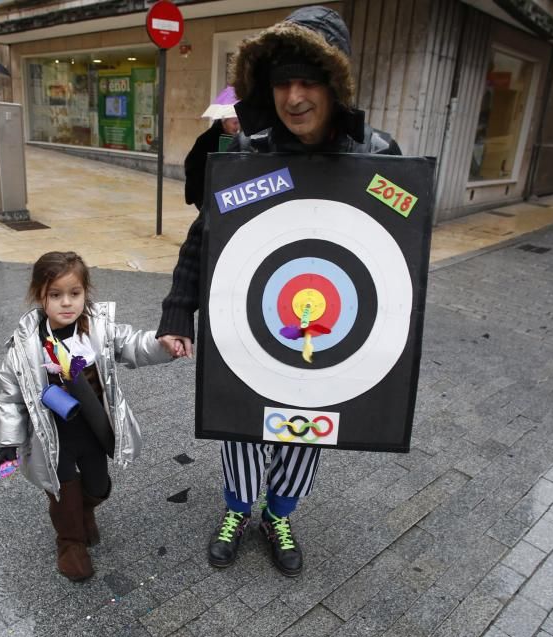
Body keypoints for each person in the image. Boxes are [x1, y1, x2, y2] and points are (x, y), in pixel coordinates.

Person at [156, 5, 402, 577]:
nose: (294, 97)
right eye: (283, 82)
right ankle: (238, 510)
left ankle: (280, 512)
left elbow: (397, 251)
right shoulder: (248, 154)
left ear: (334, 85)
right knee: (244, 421)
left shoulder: (378, 158)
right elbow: (202, 238)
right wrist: (177, 313)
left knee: (309, 430)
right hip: (252, 325)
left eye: (308, 81)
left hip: (331, 330)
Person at [0, 251, 173, 581]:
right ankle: (70, 542)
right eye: (55, 295)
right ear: (39, 296)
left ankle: (84, 509)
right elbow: (10, 397)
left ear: (85, 293)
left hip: (92, 427)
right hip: (53, 436)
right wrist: (9, 442)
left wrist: (165, 344)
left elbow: (133, 344)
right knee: (62, 491)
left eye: (74, 294)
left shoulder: (97, 329)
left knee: (98, 484)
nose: (67, 303)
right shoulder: (25, 346)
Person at [184, 86, 241, 210]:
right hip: (205, 192)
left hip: (223, 192)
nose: (237, 126)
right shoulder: (207, 139)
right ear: (224, 122)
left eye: (239, 122)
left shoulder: (236, 139)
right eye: (234, 123)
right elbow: (191, 164)